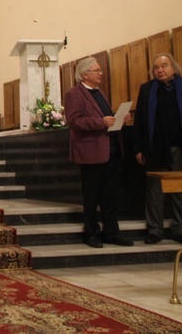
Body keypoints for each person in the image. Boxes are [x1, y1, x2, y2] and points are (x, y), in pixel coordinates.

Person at [132, 53, 182, 245]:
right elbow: (140, 121)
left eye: (164, 66)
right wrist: (138, 149)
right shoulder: (147, 89)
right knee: (155, 190)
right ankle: (155, 229)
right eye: (156, 67)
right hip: (156, 148)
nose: (160, 70)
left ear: (173, 67)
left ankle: (180, 228)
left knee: (181, 189)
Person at [64, 56, 133, 249]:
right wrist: (100, 122)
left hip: (110, 150)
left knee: (110, 195)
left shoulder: (99, 92)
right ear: (85, 74)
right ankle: (92, 232)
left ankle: (111, 232)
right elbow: (74, 121)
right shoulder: (74, 94)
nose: (101, 73)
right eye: (97, 70)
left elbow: (106, 118)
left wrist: (120, 119)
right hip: (90, 152)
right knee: (92, 195)